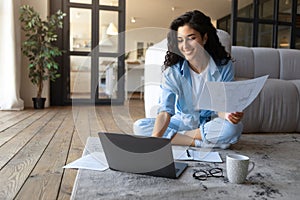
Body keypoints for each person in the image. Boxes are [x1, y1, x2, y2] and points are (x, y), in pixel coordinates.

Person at [133, 10, 244, 149]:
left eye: (191, 38)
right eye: (180, 40)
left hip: (210, 122)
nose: (185, 46)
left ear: (204, 38)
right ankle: (200, 142)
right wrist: (155, 141)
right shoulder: (173, 71)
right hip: (183, 121)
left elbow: (221, 107)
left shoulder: (223, 66)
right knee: (140, 127)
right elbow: (165, 111)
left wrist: (229, 115)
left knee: (232, 129)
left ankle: (179, 137)